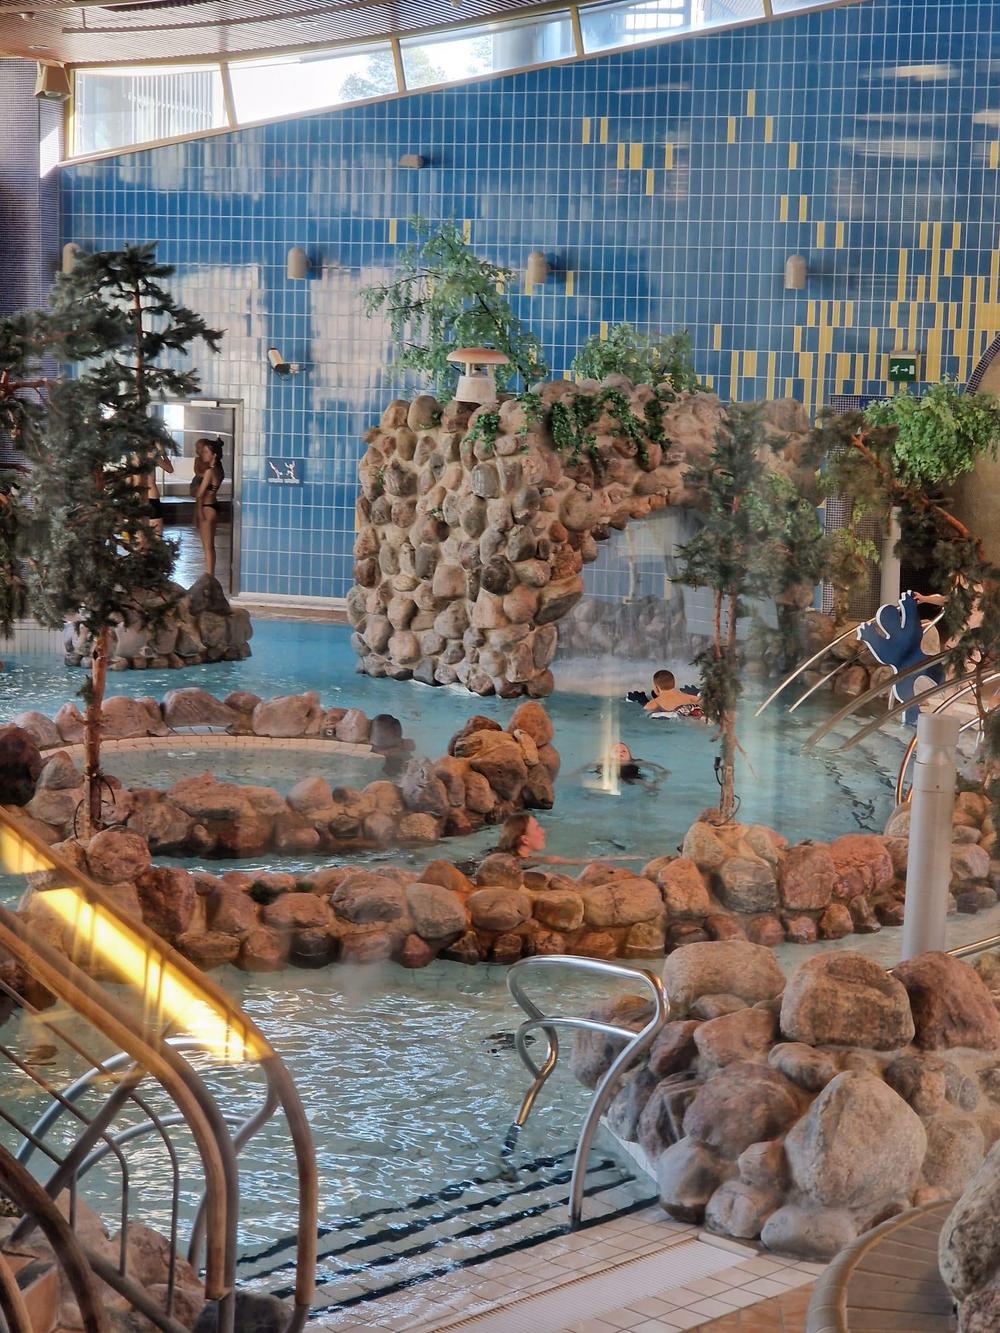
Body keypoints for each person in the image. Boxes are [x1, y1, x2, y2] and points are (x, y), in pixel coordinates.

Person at [194, 437, 224, 580]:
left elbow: (199, 494)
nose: (203, 455)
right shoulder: (219, 470)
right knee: (210, 546)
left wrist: (199, 511)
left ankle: (209, 576)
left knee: (207, 547)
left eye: (206, 452)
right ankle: (210, 574)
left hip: (206, 508)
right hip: (214, 506)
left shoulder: (209, 472)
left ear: (214, 455)